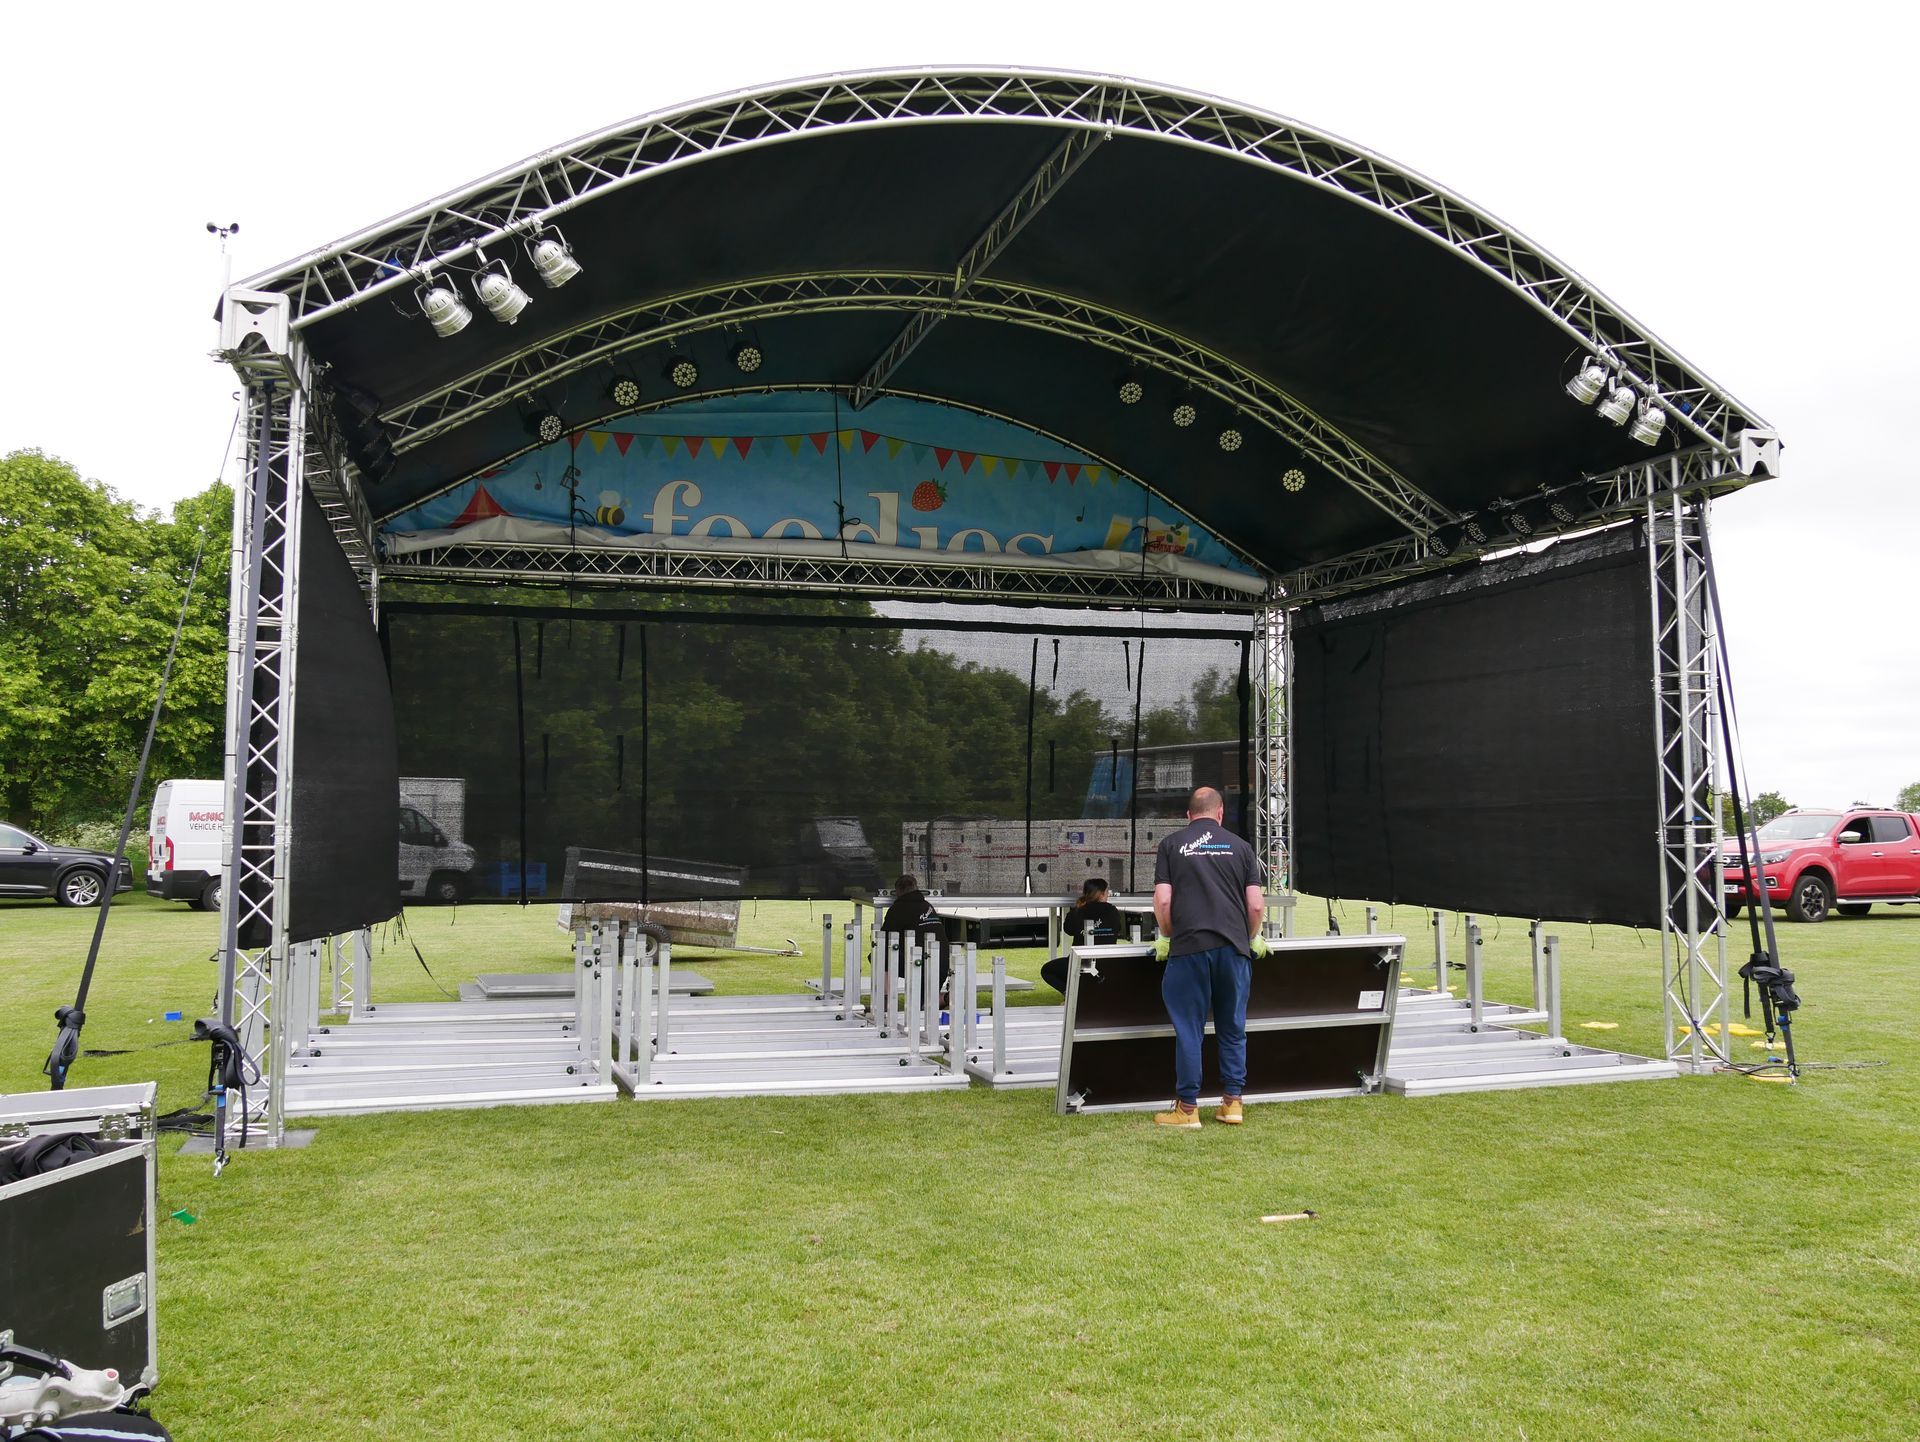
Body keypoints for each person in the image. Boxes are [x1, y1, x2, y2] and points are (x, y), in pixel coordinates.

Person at [1150, 786, 1267, 1128]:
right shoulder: (1242, 847)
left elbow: (1163, 902)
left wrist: (1170, 934)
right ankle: (1232, 1104)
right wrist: (1246, 936)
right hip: (1233, 950)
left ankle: (1187, 1109)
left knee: (1190, 1030)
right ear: (1220, 814)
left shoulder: (1171, 845)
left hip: (1189, 949)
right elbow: (1257, 904)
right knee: (1233, 1028)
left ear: (1188, 815)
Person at [1041, 877, 1128, 994]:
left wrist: (1077, 909)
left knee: (1047, 970)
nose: (1108, 895)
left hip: (1078, 963)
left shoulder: (1078, 911)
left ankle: (1072, 994)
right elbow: (1118, 929)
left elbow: (1068, 929)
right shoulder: (1112, 911)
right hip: (1108, 964)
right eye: (1107, 892)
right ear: (1101, 894)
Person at [879, 873, 949, 986]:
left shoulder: (898, 909)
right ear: (916, 888)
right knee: (928, 999)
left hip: (919, 965)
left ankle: (886, 999)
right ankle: (944, 998)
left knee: (878, 955)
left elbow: (885, 938)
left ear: (898, 891)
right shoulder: (927, 906)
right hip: (942, 966)